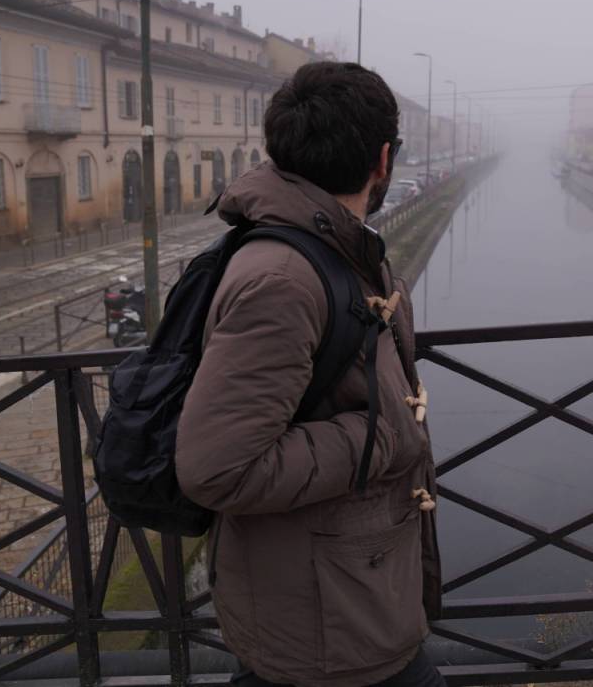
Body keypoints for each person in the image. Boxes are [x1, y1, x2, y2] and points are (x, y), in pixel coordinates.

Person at [176, 62, 443, 687]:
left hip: (340, 595)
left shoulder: (328, 245)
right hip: (327, 626)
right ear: (384, 160)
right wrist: (383, 435)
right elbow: (217, 467)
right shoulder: (285, 278)